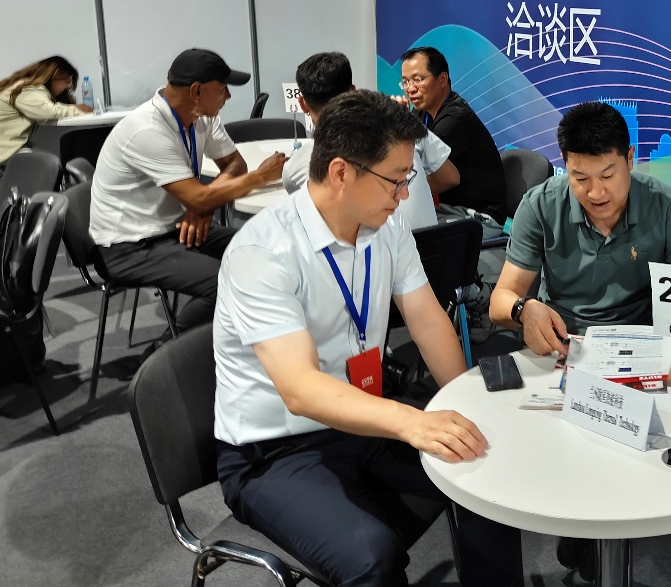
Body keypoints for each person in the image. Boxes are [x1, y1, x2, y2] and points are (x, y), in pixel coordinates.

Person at [213, 90, 523, 587]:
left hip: (363, 415)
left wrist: (468, 404)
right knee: (371, 557)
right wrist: (412, 422)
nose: (404, 195)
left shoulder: (386, 226)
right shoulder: (264, 252)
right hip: (274, 449)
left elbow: (426, 320)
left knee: (487, 476)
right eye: (395, 180)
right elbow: (300, 389)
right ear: (341, 173)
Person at [90, 49, 285, 333]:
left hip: (175, 228)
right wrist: (260, 177)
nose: (228, 96)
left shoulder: (202, 116)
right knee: (228, 283)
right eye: (222, 88)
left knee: (265, 251)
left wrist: (201, 206)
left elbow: (235, 164)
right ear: (196, 91)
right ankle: (168, 351)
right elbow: (202, 195)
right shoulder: (147, 130)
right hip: (130, 246)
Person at [490, 100, 671, 349]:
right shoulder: (540, 206)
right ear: (565, 163)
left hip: (641, 341)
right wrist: (524, 309)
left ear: (630, 158)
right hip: (563, 339)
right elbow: (500, 301)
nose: (596, 193)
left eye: (607, 176)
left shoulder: (666, 206)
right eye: (580, 178)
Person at [283, 52, 458, 230]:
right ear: (353, 91)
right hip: (434, 242)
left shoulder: (297, 165)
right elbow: (450, 177)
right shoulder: (401, 123)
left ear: (302, 103)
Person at [399, 46, 507, 223]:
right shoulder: (421, 113)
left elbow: (422, 178)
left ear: (442, 79)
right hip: (446, 210)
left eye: (418, 80)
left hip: (477, 216)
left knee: (410, 231)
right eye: (405, 82)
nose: (410, 89)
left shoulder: (455, 118)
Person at [0, 55, 92, 170]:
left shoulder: (23, 87)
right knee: (49, 167)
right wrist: (79, 109)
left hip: (6, 153)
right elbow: (49, 112)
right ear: (54, 76)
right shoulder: (28, 90)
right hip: (4, 159)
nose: (66, 86)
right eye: (66, 81)